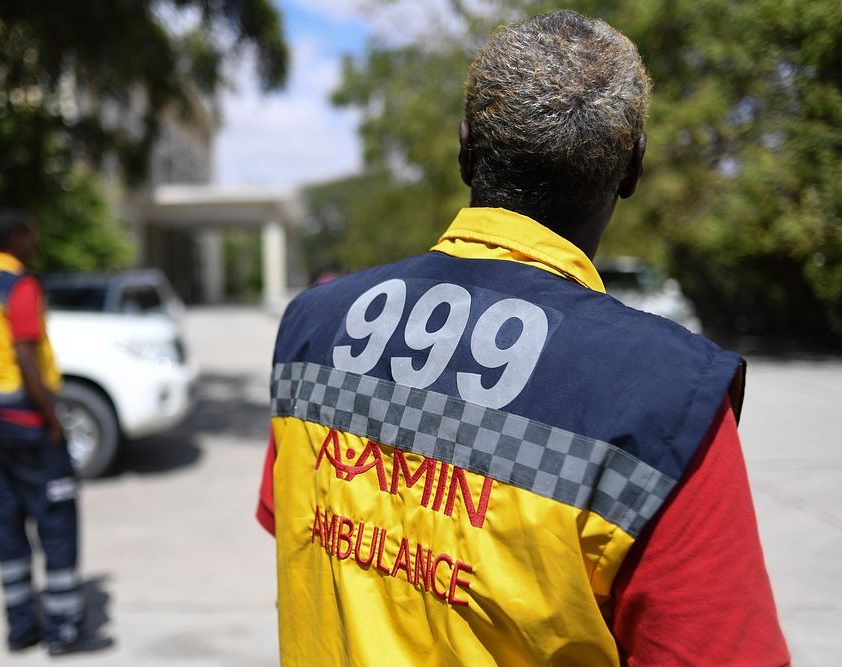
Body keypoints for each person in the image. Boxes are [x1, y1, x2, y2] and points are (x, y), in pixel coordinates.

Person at [257, 11, 789, 666]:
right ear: (633, 169)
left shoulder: (312, 326)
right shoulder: (660, 402)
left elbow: (299, 529)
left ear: (464, 148)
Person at [0, 209, 112, 656]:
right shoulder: (19, 286)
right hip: (26, 419)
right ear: (18, 238)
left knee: (9, 519)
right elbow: (25, 355)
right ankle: (63, 627)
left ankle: (20, 626)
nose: (34, 244)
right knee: (57, 515)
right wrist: (54, 419)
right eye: (32, 236)